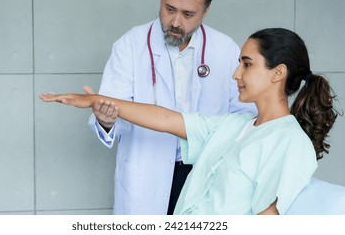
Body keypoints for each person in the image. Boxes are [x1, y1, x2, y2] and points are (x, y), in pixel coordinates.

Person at [40, 28, 338, 214]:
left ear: (278, 73)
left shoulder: (290, 143)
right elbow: (166, 118)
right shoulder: (233, 127)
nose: (236, 73)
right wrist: (95, 101)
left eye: (247, 64)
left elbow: (268, 222)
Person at [82, 0, 255, 215]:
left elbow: (245, 116)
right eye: (169, 8)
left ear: (205, 12)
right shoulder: (130, 45)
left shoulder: (225, 49)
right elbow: (113, 110)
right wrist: (106, 120)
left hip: (205, 171)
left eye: (187, 14)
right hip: (146, 174)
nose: (175, 21)